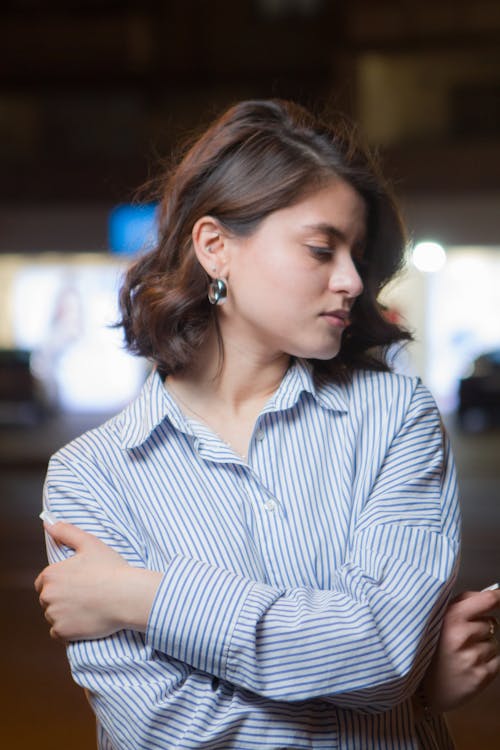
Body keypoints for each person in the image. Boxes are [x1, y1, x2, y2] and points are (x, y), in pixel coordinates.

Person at [34, 99, 500, 749]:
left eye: (358, 256)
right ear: (216, 247)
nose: (351, 281)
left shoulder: (395, 417)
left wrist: (143, 597)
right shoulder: (93, 477)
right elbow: (163, 732)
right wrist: (407, 696)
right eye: (321, 248)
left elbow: (382, 655)